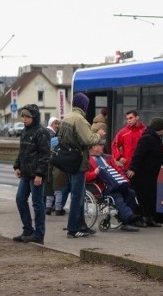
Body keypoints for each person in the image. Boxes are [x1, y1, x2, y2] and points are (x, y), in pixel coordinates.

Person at [60, 93, 106, 238]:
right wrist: (99, 135)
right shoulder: (79, 119)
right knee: (78, 196)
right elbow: (88, 139)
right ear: (83, 105)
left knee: (77, 194)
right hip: (78, 162)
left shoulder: (66, 118)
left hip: (68, 161)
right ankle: (73, 229)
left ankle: (82, 226)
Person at [12, 104, 51, 245]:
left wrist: (40, 174)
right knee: (20, 199)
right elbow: (22, 151)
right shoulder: (25, 131)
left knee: (37, 204)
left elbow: (45, 155)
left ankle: (39, 234)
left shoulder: (41, 132)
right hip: (26, 173)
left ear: (34, 117)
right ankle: (27, 230)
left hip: (36, 175)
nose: (24, 119)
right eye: (23, 116)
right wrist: (17, 165)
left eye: (27, 117)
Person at [126, 117, 163, 227]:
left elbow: (158, 154)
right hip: (142, 174)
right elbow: (138, 155)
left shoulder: (156, 138)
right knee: (142, 197)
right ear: (159, 128)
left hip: (150, 174)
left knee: (151, 196)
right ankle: (140, 218)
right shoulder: (147, 138)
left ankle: (149, 217)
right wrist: (132, 168)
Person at [85, 140, 141, 232]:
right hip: (101, 187)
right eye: (100, 145)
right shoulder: (86, 160)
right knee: (116, 195)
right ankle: (128, 218)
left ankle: (127, 219)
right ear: (94, 147)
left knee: (131, 192)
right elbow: (84, 177)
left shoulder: (107, 158)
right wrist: (94, 173)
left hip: (115, 183)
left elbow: (118, 170)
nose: (103, 147)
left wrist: (124, 179)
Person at [44, 117, 60, 215]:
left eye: (58, 124)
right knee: (56, 187)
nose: (57, 126)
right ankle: (56, 208)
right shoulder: (51, 134)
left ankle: (48, 207)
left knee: (49, 186)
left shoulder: (50, 133)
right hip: (51, 164)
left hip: (48, 164)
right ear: (51, 124)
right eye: (55, 124)